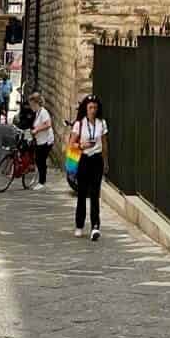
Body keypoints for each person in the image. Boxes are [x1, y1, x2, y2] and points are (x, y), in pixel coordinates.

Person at [71, 93, 108, 240]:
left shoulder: (101, 123)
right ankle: (79, 225)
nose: (93, 110)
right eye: (90, 107)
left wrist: (106, 161)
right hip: (84, 159)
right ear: (85, 108)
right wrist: (81, 145)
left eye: (95, 108)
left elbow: (104, 143)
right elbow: (71, 144)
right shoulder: (79, 124)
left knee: (95, 194)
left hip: (97, 160)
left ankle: (95, 226)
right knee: (82, 193)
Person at [28, 90, 54, 187]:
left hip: (47, 140)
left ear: (36, 103)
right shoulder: (38, 113)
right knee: (38, 159)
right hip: (40, 140)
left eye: (31, 104)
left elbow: (48, 124)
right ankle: (39, 178)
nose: (31, 107)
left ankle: (42, 182)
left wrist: (37, 130)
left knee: (41, 160)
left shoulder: (43, 112)